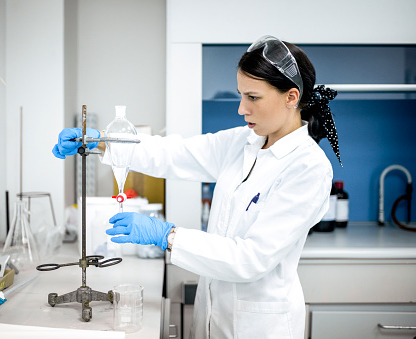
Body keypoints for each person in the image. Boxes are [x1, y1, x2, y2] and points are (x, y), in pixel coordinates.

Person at [53, 35, 341, 339]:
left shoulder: (308, 168)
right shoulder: (244, 141)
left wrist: (168, 236)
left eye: (253, 97)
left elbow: (251, 259)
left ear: (291, 97)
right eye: (241, 95)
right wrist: (102, 142)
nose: (242, 109)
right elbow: (175, 153)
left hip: (259, 326)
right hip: (212, 318)